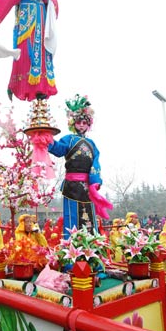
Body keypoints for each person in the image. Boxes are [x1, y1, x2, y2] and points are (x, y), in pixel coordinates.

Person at [48, 94, 112, 237]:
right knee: (72, 218)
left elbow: (96, 163)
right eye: (78, 122)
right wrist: (47, 139)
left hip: (87, 187)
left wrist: (95, 182)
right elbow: (58, 149)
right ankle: (71, 249)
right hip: (71, 186)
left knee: (89, 218)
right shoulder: (68, 139)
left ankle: (92, 247)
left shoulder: (92, 144)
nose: (81, 125)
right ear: (73, 123)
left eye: (84, 122)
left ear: (88, 125)